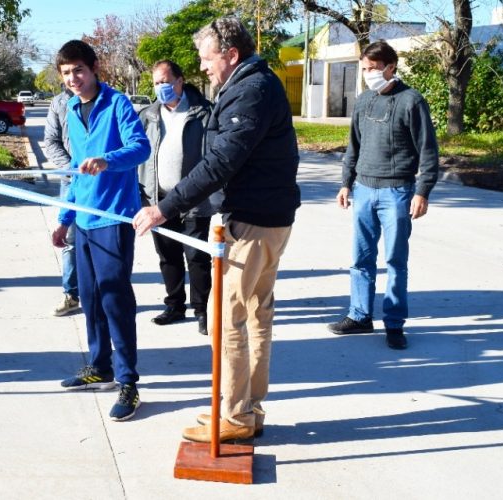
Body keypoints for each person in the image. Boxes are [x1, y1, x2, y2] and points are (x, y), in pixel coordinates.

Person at [133, 17, 301, 443]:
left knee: (227, 319)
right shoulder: (248, 84)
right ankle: (245, 408)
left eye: (208, 59)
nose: (204, 67)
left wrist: (164, 208)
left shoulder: (251, 89)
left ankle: (236, 415)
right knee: (255, 315)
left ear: (231, 54)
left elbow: (222, 161)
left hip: (255, 221)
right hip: (261, 215)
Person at [51, 40, 151, 422]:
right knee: (90, 299)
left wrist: (106, 160)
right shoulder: (71, 110)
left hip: (114, 219)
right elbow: (75, 170)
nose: (73, 79)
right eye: (66, 73)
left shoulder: (118, 104)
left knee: (114, 300)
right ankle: (100, 367)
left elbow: (139, 148)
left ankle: (129, 382)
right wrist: (64, 218)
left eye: (78, 70)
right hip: (83, 219)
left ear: (94, 69)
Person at [326, 40, 440, 351]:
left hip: (398, 193)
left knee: (395, 261)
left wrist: (422, 191)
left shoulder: (412, 101)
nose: (367, 75)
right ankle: (360, 315)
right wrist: (346, 183)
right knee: (361, 259)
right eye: (364, 69)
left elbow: (428, 152)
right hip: (363, 190)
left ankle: (394, 324)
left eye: (373, 69)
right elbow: (354, 146)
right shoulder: (363, 101)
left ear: (391, 67)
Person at [137, 59, 217, 335]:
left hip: (195, 198)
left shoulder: (204, 113)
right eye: (157, 83)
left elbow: (214, 156)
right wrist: (142, 193)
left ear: (180, 80)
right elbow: (140, 156)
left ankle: (203, 310)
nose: (161, 88)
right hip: (158, 198)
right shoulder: (148, 115)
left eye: (166, 82)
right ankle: (174, 305)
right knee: (167, 255)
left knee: (196, 256)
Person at [44, 87, 81, 316]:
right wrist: (72, 169)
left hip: (101, 180)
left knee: (102, 239)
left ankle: (103, 294)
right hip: (71, 181)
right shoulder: (59, 103)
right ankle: (71, 294)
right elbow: (51, 140)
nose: (73, 77)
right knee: (69, 239)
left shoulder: (108, 100)